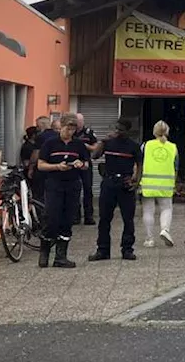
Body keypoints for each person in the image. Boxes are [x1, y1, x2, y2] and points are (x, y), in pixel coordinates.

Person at [35, 113, 90, 269]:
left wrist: (81, 164)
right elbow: (41, 164)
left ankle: (61, 256)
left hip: (72, 184)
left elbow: (87, 163)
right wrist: (57, 167)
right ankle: (44, 252)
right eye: (68, 128)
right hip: (54, 183)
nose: (70, 132)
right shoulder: (50, 143)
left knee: (67, 219)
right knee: (51, 217)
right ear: (61, 126)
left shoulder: (78, 145)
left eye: (73, 129)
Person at [89, 118, 142, 262]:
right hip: (109, 182)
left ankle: (127, 249)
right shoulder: (108, 143)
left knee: (128, 219)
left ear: (127, 131)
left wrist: (135, 181)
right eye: (116, 128)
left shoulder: (133, 146)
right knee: (104, 218)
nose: (118, 131)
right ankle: (102, 250)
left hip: (125, 183)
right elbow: (94, 156)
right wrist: (102, 141)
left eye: (121, 129)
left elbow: (139, 164)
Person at [139, 120, 179, 248]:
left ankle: (149, 239)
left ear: (154, 132)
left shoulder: (146, 145)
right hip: (166, 184)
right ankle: (165, 230)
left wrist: (137, 181)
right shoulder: (173, 147)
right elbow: (176, 167)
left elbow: (139, 164)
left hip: (148, 183)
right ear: (167, 132)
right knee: (166, 208)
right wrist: (174, 183)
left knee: (148, 211)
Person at [73, 112, 100, 226]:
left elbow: (96, 147)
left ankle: (89, 216)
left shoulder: (89, 133)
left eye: (80, 121)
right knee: (75, 190)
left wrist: (85, 146)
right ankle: (76, 216)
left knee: (88, 190)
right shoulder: (71, 132)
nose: (79, 124)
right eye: (77, 122)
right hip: (73, 164)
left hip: (86, 164)